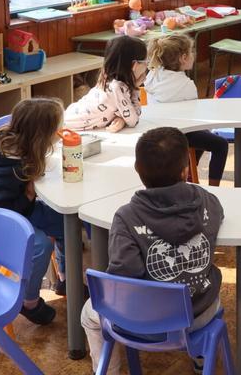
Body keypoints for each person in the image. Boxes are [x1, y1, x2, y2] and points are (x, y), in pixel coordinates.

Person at [80, 127, 224, 372]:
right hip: (198, 313)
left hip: (141, 319)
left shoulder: (126, 217)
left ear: (137, 170)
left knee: (89, 315)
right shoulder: (207, 201)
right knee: (214, 298)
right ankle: (201, 360)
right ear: (185, 170)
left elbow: (124, 275)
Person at [0, 97, 65, 325]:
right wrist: (29, 195)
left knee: (66, 223)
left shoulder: (22, 150)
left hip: (17, 207)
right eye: (54, 130)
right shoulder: (3, 170)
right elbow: (2, 211)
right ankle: (28, 301)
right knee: (40, 244)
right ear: (40, 134)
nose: (58, 134)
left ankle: (65, 279)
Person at [144, 34, 229, 186]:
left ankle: (187, 173)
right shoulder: (186, 85)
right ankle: (212, 187)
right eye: (192, 52)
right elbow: (193, 119)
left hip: (154, 130)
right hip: (177, 135)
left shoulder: (153, 74)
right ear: (183, 58)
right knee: (220, 144)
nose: (193, 55)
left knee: (204, 134)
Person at [64, 36, 147, 132]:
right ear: (135, 65)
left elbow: (125, 112)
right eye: (145, 61)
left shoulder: (108, 79)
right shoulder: (118, 88)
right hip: (69, 125)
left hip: (69, 116)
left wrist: (121, 118)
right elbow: (134, 120)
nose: (146, 65)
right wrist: (135, 89)